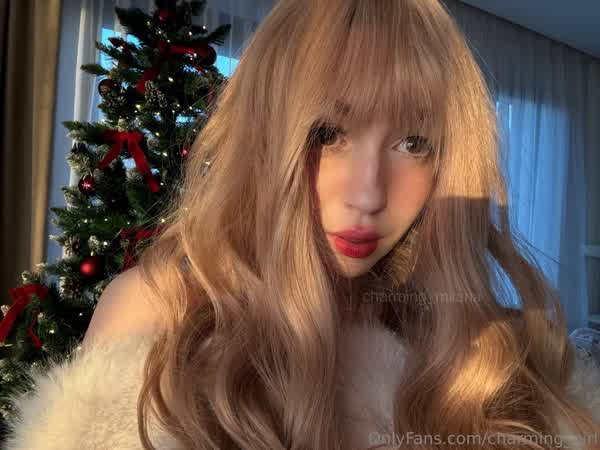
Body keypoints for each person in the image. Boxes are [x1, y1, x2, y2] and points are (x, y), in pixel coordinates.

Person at [4, 0, 600, 449]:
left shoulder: (473, 344)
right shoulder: (159, 310)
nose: (367, 195)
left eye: (414, 142)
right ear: (266, 133)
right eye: (327, 133)